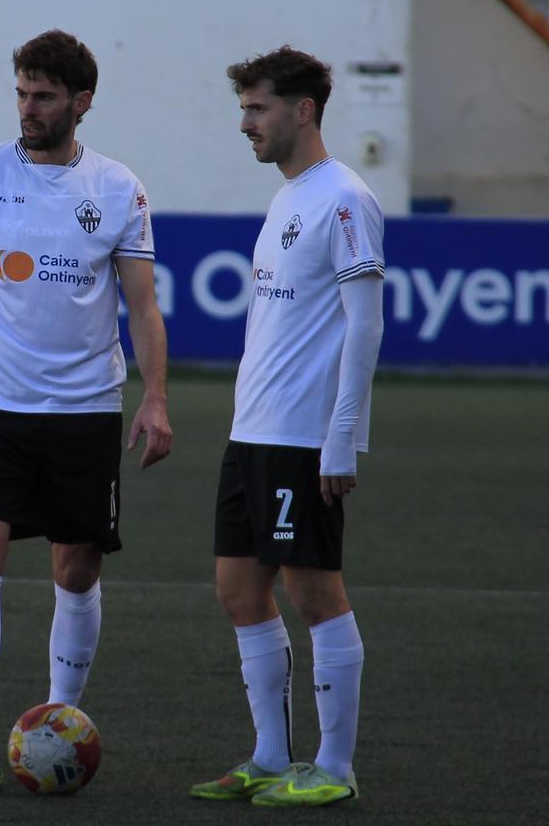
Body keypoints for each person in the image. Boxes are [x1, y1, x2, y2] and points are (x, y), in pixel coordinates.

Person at [0, 28, 172, 789]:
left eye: (45, 95)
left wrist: (154, 398)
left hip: (87, 410)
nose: (28, 107)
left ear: (81, 102)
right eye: (22, 92)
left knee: (78, 564)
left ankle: (57, 720)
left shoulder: (119, 188)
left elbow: (144, 309)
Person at [189, 46, 384, 807]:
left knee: (313, 589)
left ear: (303, 110)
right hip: (255, 432)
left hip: (305, 435)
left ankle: (334, 768)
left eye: (258, 107)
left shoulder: (344, 198)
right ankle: (272, 755)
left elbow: (364, 328)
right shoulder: (288, 198)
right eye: (244, 108)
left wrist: (343, 436)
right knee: (239, 586)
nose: (246, 123)